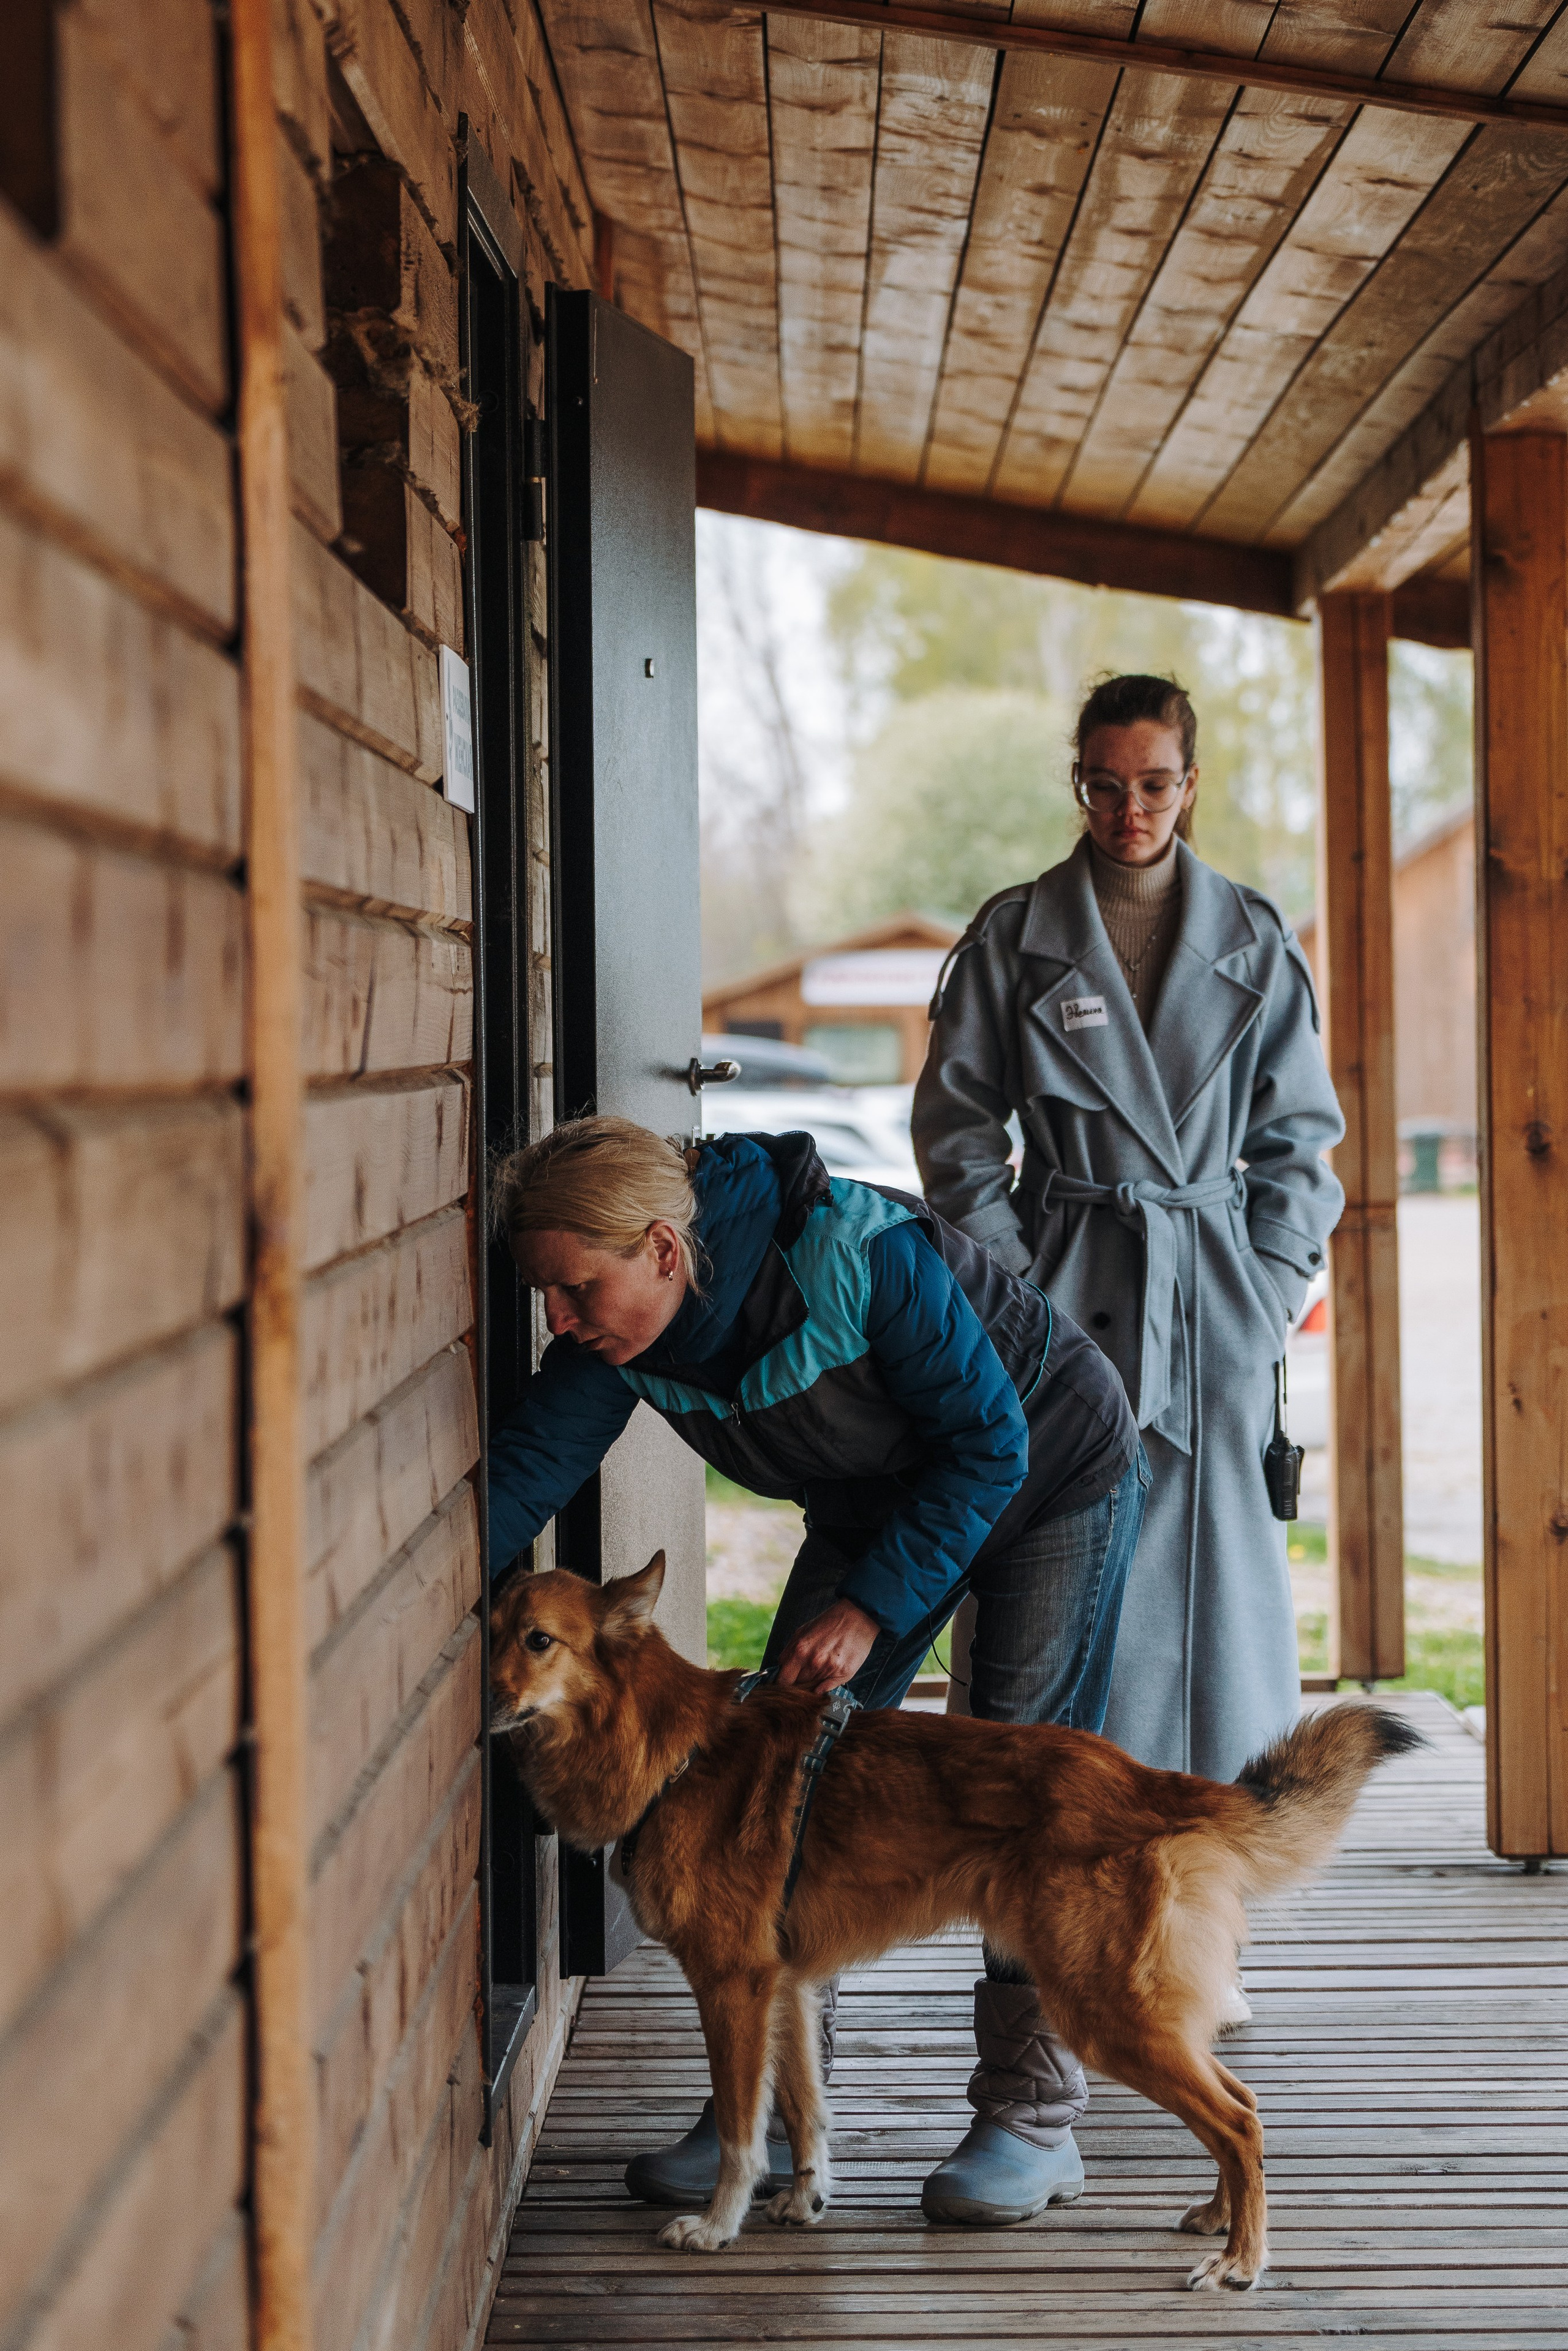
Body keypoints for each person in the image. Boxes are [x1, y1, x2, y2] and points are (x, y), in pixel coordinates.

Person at [486, 1112, 1147, 2225]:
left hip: (1046, 1469)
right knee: (773, 1764)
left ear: (659, 1247)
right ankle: (771, 2114)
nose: (558, 1318)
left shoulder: (852, 1249)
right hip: (875, 1504)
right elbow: (517, 1480)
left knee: (1019, 1770)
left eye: (574, 1289)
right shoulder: (622, 1344)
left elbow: (990, 1447)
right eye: (543, 1295)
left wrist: (869, 1608)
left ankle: (1031, 2117)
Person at [914, 672, 1344, 1801]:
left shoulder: (1255, 937)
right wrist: (1014, 1285)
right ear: (1081, 786)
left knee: (1215, 1606)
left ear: (1190, 784)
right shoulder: (1015, 935)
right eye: (1106, 786)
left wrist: (1261, 1291)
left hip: (1211, 1300)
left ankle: (1206, 1887)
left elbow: (1303, 1143)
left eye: (1155, 784)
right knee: (1049, 1572)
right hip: (1064, 1284)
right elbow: (956, 1130)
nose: (1130, 811)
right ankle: (1039, 1894)